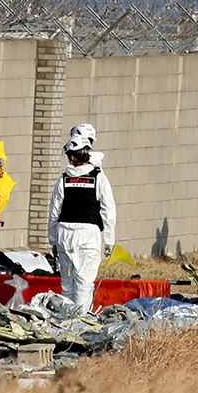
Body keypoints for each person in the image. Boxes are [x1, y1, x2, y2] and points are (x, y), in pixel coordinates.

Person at [48, 134, 116, 313]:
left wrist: (53, 239)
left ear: (71, 156)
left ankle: (66, 323)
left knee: (68, 286)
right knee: (84, 284)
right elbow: (108, 210)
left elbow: (54, 212)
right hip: (88, 235)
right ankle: (80, 325)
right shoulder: (98, 177)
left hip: (64, 234)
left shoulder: (63, 179)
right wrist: (109, 239)